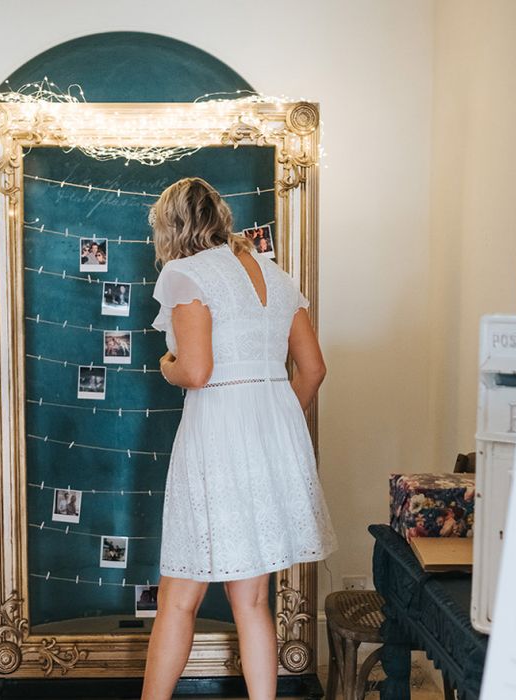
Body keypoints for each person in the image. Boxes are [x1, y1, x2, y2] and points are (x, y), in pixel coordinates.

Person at [141, 177, 337, 700]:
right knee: (251, 602)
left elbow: (197, 371)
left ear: (172, 227)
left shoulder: (186, 274)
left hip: (216, 438)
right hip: (271, 442)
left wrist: (166, 365)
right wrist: (272, 426)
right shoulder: (276, 275)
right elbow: (313, 370)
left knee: (178, 599)